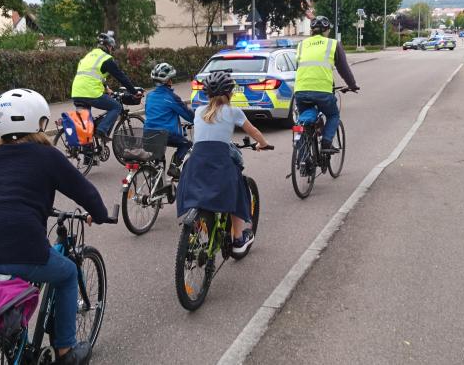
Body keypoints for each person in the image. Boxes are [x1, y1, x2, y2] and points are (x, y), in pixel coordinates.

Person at [0, 88, 117, 365]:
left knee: (13, 284)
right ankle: (65, 350)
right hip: (22, 241)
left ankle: (9, 342)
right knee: (68, 273)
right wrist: (101, 213)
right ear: (37, 121)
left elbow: (12, 193)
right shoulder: (47, 155)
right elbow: (85, 191)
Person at [175, 71, 271, 256]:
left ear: (207, 93)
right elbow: (254, 131)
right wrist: (263, 144)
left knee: (199, 190)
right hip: (220, 162)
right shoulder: (234, 111)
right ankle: (238, 239)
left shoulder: (199, 111)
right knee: (238, 192)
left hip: (195, 163)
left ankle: (200, 224)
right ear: (230, 93)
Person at [293, 16, 360, 154]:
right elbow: (343, 69)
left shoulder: (301, 45)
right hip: (322, 91)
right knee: (333, 115)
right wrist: (352, 85)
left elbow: (299, 67)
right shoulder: (332, 44)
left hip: (300, 90)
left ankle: (304, 155)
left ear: (312, 31)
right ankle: (326, 143)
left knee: (305, 116)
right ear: (326, 30)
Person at [70, 33, 143, 142]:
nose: (111, 50)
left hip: (76, 93)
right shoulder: (106, 58)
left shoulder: (88, 56)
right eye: (111, 47)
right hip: (91, 93)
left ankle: (88, 157)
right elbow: (121, 77)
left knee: (86, 127)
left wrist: (106, 88)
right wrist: (134, 91)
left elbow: (91, 75)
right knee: (116, 107)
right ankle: (101, 130)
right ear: (108, 46)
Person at [143, 62, 194, 178]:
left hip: (148, 134)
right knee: (187, 144)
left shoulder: (149, 96)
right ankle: (174, 167)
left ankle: (158, 185)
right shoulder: (171, 97)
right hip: (166, 134)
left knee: (158, 162)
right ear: (169, 81)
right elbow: (189, 116)